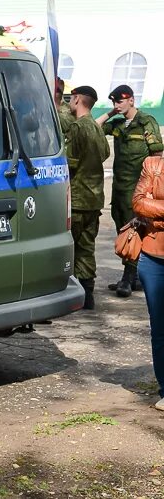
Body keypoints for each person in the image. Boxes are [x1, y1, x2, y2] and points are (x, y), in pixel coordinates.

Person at [97, 84, 164, 297]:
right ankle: (133, 276)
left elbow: (157, 156)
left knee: (133, 231)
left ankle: (128, 277)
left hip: (137, 189)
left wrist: (151, 191)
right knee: (122, 230)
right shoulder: (118, 125)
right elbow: (94, 127)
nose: (117, 104)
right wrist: (109, 113)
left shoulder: (146, 123)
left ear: (132, 100)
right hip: (119, 189)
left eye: (121, 101)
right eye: (114, 101)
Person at [64, 85, 110, 310]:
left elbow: (68, 163)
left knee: (69, 247)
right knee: (87, 247)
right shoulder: (95, 126)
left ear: (78, 99)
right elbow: (105, 154)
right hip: (94, 199)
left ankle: (69, 294)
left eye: (72, 98)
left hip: (77, 199)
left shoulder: (77, 127)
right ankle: (88, 294)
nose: (70, 102)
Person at [131, 153, 164, 410]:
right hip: (153, 257)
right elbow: (138, 203)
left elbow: (149, 204)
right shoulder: (152, 165)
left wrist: (157, 205)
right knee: (160, 330)